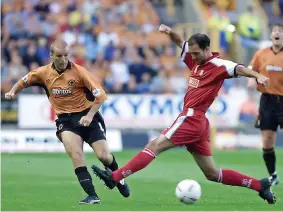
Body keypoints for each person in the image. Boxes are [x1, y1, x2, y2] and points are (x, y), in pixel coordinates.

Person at [91, 24, 276, 204]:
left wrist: (257, 76)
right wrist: (169, 31)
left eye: (196, 53)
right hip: (199, 122)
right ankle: (260, 185)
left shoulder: (219, 65)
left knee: (154, 145)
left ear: (207, 49)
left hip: (192, 117)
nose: (192, 57)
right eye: (191, 53)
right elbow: (180, 41)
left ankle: (114, 177)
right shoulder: (195, 60)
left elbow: (240, 68)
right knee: (212, 173)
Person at [4, 39, 130, 204]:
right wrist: (13, 91)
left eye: (65, 55)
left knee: (104, 156)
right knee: (76, 155)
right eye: (59, 56)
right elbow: (24, 80)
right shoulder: (43, 73)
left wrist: (89, 116)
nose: (63, 59)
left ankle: (119, 180)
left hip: (87, 115)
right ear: (51, 56)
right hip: (66, 120)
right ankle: (92, 195)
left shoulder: (80, 72)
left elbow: (101, 96)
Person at [247, 23, 283, 186]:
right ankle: (273, 175)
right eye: (275, 31)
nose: (277, 33)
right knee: (267, 141)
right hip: (267, 100)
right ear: (270, 36)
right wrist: (251, 79)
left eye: (280, 31)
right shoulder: (261, 54)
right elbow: (251, 69)